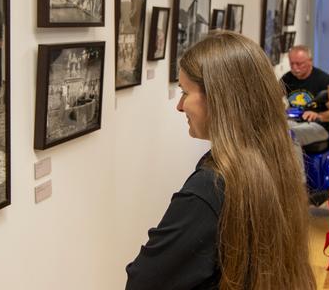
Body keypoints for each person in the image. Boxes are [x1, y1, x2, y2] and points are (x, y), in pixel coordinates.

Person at [125, 31, 315, 290]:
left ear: (218, 99)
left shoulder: (210, 187)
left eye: (185, 92)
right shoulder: (277, 158)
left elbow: (143, 282)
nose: (179, 106)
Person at [282, 45, 329, 146]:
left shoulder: (323, 81)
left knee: (292, 135)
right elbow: (274, 99)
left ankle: (294, 163)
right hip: (295, 122)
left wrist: (319, 115)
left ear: (310, 61)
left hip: (319, 125)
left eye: (299, 64)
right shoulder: (287, 79)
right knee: (274, 132)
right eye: (291, 63)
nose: (295, 68)